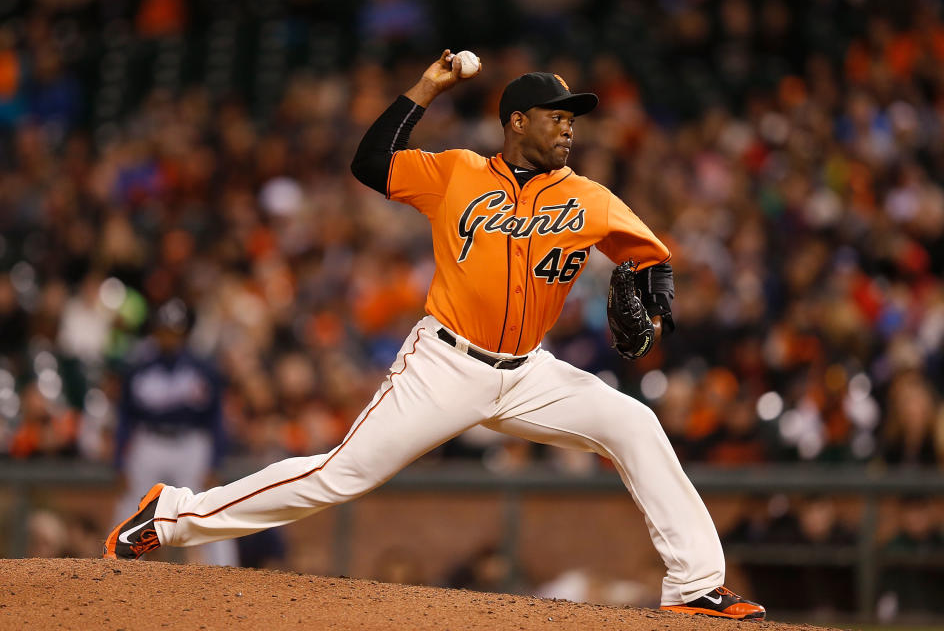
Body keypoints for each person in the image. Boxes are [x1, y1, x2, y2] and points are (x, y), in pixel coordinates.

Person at [103, 50, 764, 620]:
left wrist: (656, 294)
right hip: (445, 364)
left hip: (530, 371)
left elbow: (649, 256)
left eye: (572, 117)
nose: (568, 127)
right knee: (341, 475)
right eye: (556, 116)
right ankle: (169, 515)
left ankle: (695, 584)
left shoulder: (588, 196)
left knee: (634, 423)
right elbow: (370, 164)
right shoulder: (457, 173)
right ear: (517, 122)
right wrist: (427, 89)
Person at [110, 297, 237, 566]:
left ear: (185, 333)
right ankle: (115, 566)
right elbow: (125, 417)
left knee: (206, 507)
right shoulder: (139, 367)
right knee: (132, 506)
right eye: (164, 330)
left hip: (190, 443)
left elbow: (215, 419)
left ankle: (225, 570)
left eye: (175, 331)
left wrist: (215, 461)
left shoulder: (203, 369)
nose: (168, 337)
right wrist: (120, 460)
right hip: (150, 441)